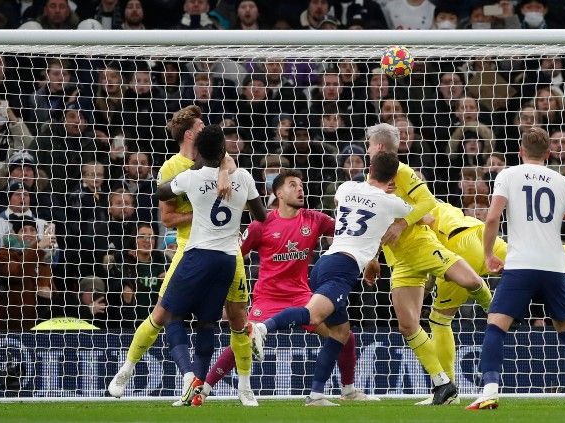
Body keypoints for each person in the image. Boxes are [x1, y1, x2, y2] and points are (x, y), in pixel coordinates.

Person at [410, 200, 565, 404]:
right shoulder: (430, 199)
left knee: (439, 319)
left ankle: (449, 391)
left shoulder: (408, 207)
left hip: (457, 247)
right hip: (478, 233)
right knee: (537, 260)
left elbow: (429, 235)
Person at [249, 151, 410, 406]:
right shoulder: (392, 202)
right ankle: (263, 328)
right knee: (313, 315)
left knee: (341, 331)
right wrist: (400, 216)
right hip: (343, 267)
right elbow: (426, 214)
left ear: (369, 170)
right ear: (393, 178)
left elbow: (343, 203)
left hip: (326, 261)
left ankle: (329, 393)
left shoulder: (346, 187)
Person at [202, 169, 376, 403]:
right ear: (279, 194)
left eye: (301, 185)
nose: (300, 189)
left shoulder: (315, 219)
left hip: (302, 295)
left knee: (343, 333)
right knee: (243, 341)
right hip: (268, 297)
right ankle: (203, 389)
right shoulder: (260, 225)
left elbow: (349, 232)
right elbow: (233, 256)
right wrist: (224, 294)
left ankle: (348, 390)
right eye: (293, 185)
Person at [108, 106, 242, 402]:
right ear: (191, 133)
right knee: (162, 314)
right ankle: (128, 368)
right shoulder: (172, 167)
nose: (207, 128)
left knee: (232, 315)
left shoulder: (220, 159)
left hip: (224, 248)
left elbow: (230, 162)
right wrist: (202, 214)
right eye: (202, 124)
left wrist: (222, 170)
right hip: (188, 248)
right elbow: (167, 219)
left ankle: (239, 388)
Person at [468, 127, 565, 410]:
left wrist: (489, 253)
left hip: (521, 264)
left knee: (496, 324)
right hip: (555, 266)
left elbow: (492, 218)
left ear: (520, 151)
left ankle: (490, 389)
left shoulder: (507, 175)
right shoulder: (562, 181)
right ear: (549, 154)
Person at [361, 123, 492, 405]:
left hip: (422, 245)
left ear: (379, 147)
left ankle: (493, 309)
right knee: (408, 325)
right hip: (401, 261)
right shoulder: (371, 179)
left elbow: (428, 202)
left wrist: (403, 223)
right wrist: (372, 258)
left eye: (369, 143)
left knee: (470, 281)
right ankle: (442, 385)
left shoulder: (403, 171)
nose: (366, 147)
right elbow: (372, 221)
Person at [155, 124, 266, 408]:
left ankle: (189, 374)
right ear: (224, 150)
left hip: (197, 255)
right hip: (228, 259)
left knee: (170, 316)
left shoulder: (191, 177)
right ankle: (196, 394)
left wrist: (192, 171)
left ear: (199, 152)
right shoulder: (243, 177)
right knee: (207, 323)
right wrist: (228, 171)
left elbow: (161, 192)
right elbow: (261, 216)